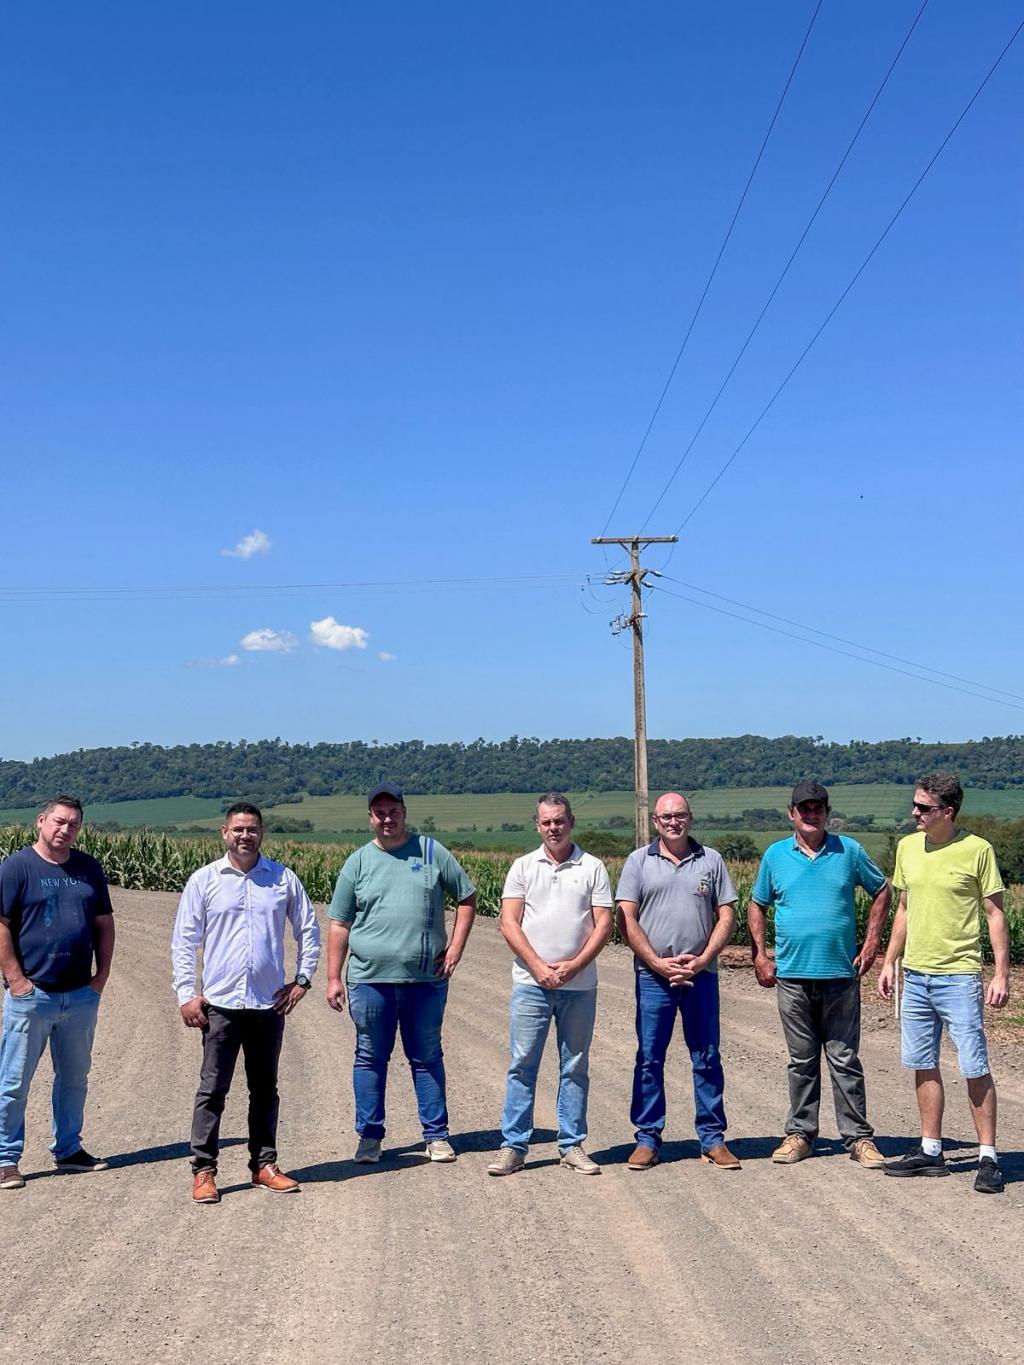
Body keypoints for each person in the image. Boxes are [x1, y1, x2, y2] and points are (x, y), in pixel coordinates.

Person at [172, 802, 320, 1203]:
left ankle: (263, 1165)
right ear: (224, 832)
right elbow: (185, 941)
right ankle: (204, 1170)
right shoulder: (205, 880)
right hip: (220, 1004)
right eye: (238, 829)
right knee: (212, 1090)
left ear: (261, 833)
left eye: (252, 829)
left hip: (267, 1005)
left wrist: (302, 979)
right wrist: (186, 994)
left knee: (265, 1089)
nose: (245, 836)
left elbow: (308, 929)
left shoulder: (282, 878)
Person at [326, 783, 476, 1164]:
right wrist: (333, 977)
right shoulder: (358, 863)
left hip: (425, 981)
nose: (387, 819)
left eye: (393, 811)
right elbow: (340, 923)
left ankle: (436, 1135)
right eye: (380, 813)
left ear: (404, 813)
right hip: (369, 980)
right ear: (370, 818)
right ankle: (369, 1137)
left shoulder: (431, 852)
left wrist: (455, 948)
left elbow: (467, 897)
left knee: (426, 1056)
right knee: (370, 1058)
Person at [748, 781, 891, 1169]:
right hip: (792, 976)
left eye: (818, 808)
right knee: (801, 1061)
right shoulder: (776, 855)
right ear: (791, 813)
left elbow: (881, 890)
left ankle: (858, 1138)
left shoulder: (849, 851)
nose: (811, 814)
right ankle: (800, 1134)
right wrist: (760, 955)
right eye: (804, 808)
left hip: (840, 975)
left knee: (844, 1059)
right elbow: (757, 904)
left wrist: (872, 943)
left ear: (827, 813)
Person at [878, 773, 1010, 1194]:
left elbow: (995, 913)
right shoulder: (908, 847)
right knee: (922, 1062)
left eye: (924, 807)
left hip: (960, 976)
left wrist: (1001, 973)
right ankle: (931, 1150)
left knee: (974, 1065)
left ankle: (988, 1157)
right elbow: (903, 908)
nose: (914, 812)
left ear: (948, 811)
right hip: (916, 975)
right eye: (915, 804)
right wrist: (889, 961)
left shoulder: (978, 850)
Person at [487, 794, 613, 1177]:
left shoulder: (592, 867)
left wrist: (574, 966)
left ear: (571, 822)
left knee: (575, 1066)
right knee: (522, 1065)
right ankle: (514, 1147)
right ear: (537, 825)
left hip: (580, 986)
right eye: (546, 822)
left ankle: (572, 1145)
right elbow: (509, 923)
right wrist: (539, 967)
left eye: (559, 820)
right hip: (531, 983)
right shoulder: (523, 867)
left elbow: (603, 924)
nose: (553, 828)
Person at [616, 792, 739, 1171]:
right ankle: (647, 1138)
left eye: (680, 815)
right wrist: (656, 962)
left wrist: (703, 960)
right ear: (656, 821)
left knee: (707, 1056)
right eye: (666, 817)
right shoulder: (638, 862)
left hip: (701, 975)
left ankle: (712, 1139)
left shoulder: (711, 860)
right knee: (650, 1058)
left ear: (690, 818)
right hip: (653, 976)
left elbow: (726, 915)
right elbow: (626, 917)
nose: (674, 822)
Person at [0, 796, 115, 1190]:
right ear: (41, 821)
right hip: (32, 996)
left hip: (79, 994)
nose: (65, 830)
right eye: (59, 822)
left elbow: (103, 922)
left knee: (74, 1078)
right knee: (13, 1082)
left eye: (73, 825)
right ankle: (5, 1158)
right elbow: (1, 925)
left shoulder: (88, 868)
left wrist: (100, 977)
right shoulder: (17, 868)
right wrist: (16, 980)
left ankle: (68, 1149)